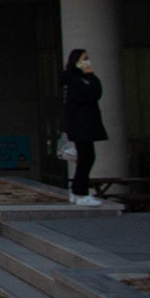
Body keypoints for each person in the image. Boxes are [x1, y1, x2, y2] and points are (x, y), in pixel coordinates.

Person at [62, 49, 107, 207]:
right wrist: (90, 75)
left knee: (85, 158)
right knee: (86, 158)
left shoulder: (76, 78)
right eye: (84, 59)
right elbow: (92, 94)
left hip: (82, 124)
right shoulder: (75, 79)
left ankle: (77, 191)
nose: (87, 62)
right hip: (81, 125)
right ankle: (81, 193)